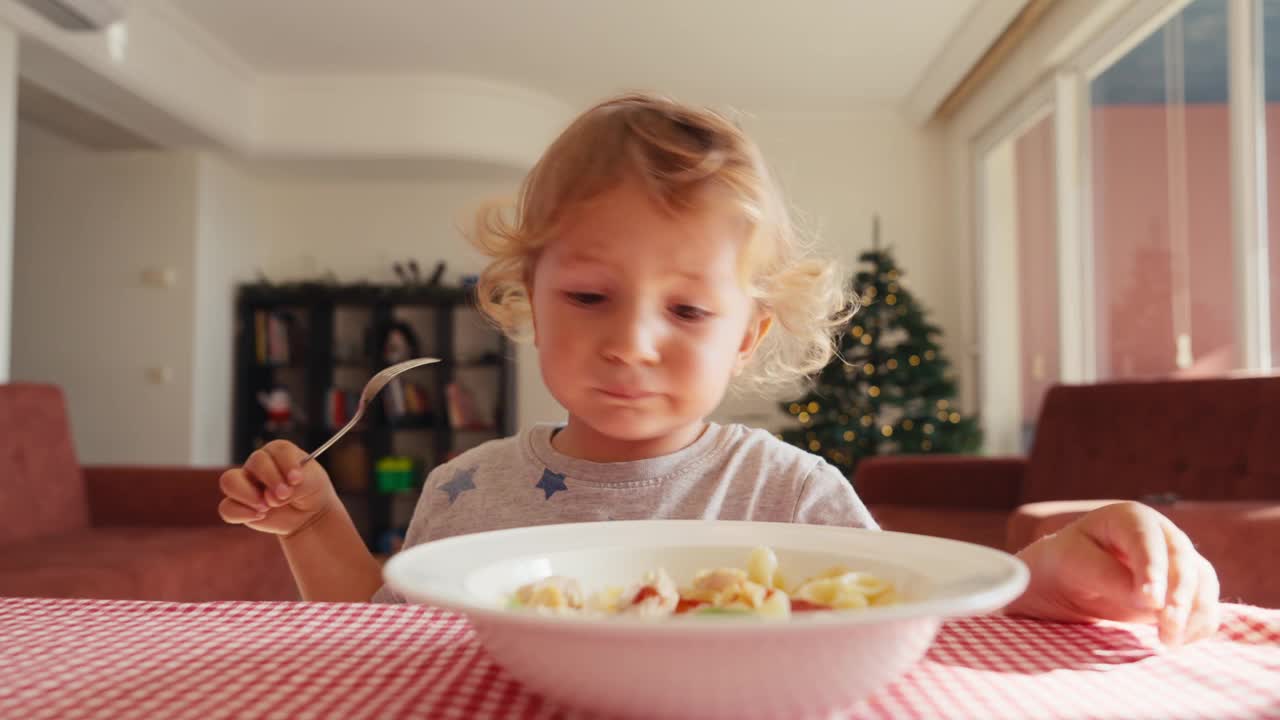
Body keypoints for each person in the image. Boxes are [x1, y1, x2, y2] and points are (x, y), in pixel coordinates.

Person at [218, 93, 1218, 645]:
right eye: (588, 296)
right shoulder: (465, 488)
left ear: (746, 334)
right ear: (528, 293)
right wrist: (312, 519)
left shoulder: (785, 490)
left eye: (688, 309)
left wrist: (1055, 575)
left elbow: (908, 615)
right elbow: (376, 638)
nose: (631, 342)